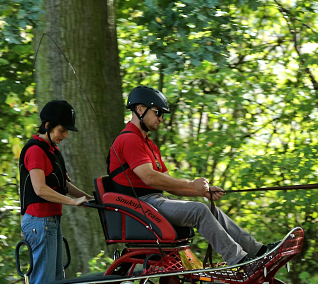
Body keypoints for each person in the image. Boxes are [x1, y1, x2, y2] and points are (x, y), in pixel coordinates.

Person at [106, 86, 268, 265]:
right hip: (141, 205)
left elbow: (168, 183)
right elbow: (149, 177)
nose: (161, 118)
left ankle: (258, 251)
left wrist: (202, 192)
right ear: (140, 109)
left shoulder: (149, 144)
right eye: (158, 112)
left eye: (163, 115)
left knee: (210, 208)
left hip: (155, 201)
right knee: (199, 211)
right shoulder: (129, 139)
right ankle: (239, 260)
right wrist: (192, 185)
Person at [19, 100, 90, 284]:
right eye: (62, 130)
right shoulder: (35, 151)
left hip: (50, 221)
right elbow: (40, 189)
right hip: (39, 222)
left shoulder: (52, 151)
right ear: (48, 126)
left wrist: (88, 198)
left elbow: (63, 185)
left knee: (56, 283)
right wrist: (73, 202)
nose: (65, 135)